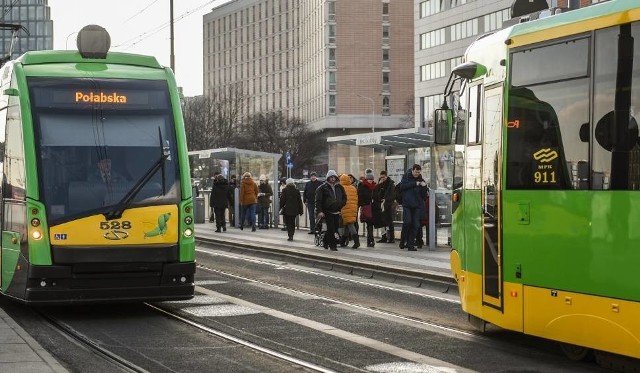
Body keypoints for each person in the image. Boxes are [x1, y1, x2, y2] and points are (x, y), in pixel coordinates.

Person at [397, 164, 429, 251]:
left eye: (418, 172)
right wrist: (415, 183)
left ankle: (410, 244)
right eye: (416, 172)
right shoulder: (406, 177)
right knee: (407, 223)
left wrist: (424, 187)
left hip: (417, 206)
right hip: (407, 205)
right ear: (412, 170)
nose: (417, 174)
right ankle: (402, 241)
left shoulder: (421, 179)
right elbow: (402, 186)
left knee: (415, 225)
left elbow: (424, 196)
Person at [314, 170, 346, 251]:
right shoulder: (322, 188)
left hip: (337, 210)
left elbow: (344, 197)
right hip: (327, 211)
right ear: (328, 178)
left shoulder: (339, 187)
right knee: (331, 228)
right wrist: (320, 211)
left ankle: (325, 241)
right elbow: (318, 200)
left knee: (334, 228)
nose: (333, 179)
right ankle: (333, 246)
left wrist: (341, 204)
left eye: (334, 177)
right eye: (331, 177)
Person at [374, 170, 396, 244]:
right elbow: (375, 194)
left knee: (389, 221)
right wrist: (378, 185)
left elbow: (393, 195)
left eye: (383, 177)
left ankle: (391, 238)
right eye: (381, 177)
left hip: (388, 205)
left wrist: (386, 199)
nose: (382, 179)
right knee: (382, 221)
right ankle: (384, 237)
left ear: (386, 176)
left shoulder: (391, 184)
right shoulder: (380, 184)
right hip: (381, 205)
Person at [357, 169, 377, 247]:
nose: (371, 181)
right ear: (366, 179)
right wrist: (362, 205)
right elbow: (360, 196)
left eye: (372, 179)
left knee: (370, 224)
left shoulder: (375, 186)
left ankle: (369, 241)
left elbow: (377, 196)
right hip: (366, 207)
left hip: (373, 208)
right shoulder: (362, 186)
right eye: (369, 180)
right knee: (369, 223)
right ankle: (371, 240)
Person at [339, 173, 359, 248]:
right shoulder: (353, 188)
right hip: (353, 208)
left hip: (345, 208)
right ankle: (342, 242)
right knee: (347, 225)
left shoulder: (341, 188)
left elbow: (339, 199)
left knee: (350, 224)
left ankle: (357, 242)